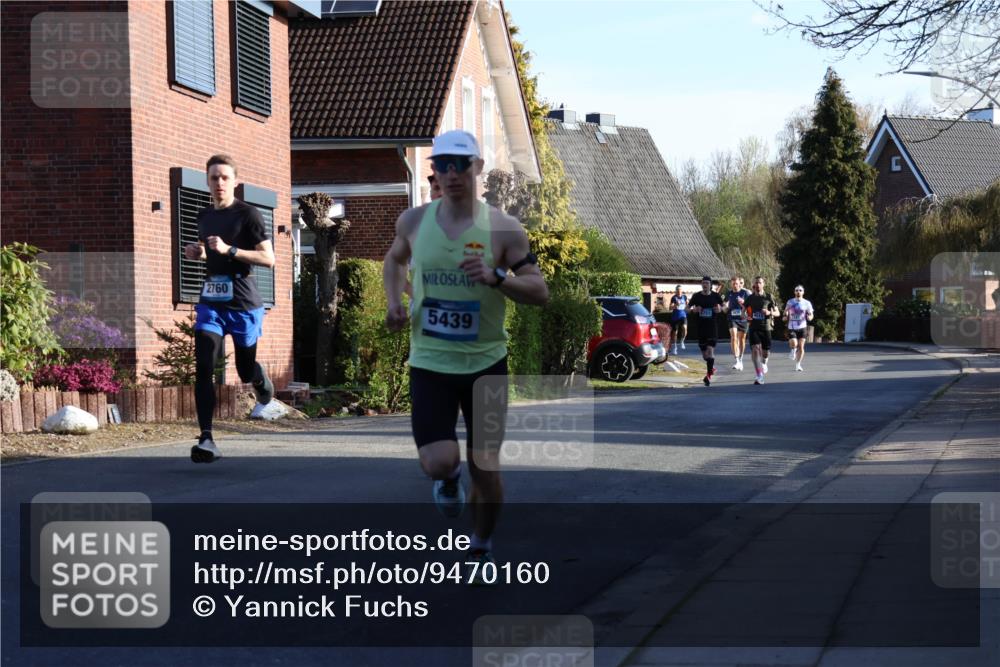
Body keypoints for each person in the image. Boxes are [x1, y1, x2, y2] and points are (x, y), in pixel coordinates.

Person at [383, 130, 548, 583]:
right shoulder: (414, 222)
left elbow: (540, 291)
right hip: (431, 363)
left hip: (486, 365)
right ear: (434, 170)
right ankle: (448, 479)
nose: (452, 174)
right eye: (443, 166)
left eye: (461, 164)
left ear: (477, 167)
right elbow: (394, 261)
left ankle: (481, 544)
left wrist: (498, 278)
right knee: (439, 462)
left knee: (487, 467)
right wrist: (394, 302)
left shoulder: (503, 229)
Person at [184, 154, 275, 463]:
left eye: (225, 177)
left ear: (235, 181)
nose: (219, 183)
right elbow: (212, 255)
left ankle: (259, 379)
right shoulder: (203, 215)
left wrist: (230, 249)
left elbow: (269, 259)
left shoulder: (249, 215)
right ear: (207, 182)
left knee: (243, 370)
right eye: (214, 178)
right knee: (205, 365)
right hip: (211, 299)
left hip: (243, 301)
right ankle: (207, 438)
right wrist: (197, 254)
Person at [744, 276, 780, 385]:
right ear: (754, 285)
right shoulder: (750, 298)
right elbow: (743, 312)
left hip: (766, 328)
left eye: (760, 283)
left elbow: (777, 313)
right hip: (754, 327)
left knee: (765, 353)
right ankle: (759, 375)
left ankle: (764, 362)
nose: (757, 285)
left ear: (763, 284)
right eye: (756, 283)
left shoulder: (769, 297)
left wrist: (770, 313)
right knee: (755, 349)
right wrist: (747, 317)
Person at [689, 276, 724, 386]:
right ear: (701, 284)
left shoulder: (715, 296)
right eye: (703, 283)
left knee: (710, 351)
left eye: (707, 283)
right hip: (700, 328)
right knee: (705, 356)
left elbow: (724, 307)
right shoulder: (696, 296)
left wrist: (720, 309)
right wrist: (693, 310)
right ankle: (711, 368)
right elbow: (686, 309)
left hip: (712, 327)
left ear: (710, 285)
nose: (705, 285)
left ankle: (708, 376)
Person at [783, 285, 815, 371]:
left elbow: (811, 314)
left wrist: (810, 317)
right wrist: (785, 316)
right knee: (794, 342)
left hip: (802, 327)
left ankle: (798, 364)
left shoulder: (807, 303)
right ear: (794, 292)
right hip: (792, 326)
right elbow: (785, 311)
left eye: (800, 290)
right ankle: (793, 350)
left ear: (803, 292)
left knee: (801, 347)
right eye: (796, 290)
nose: (798, 292)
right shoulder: (790, 302)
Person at [723, 276, 751, 370]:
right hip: (732, 318)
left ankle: (741, 359)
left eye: (736, 283)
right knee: (734, 337)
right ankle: (737, 360)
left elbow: (750, 306)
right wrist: (725, 307)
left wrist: (743, 303)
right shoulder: (729, 293)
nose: (735, 285)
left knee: (742, 339)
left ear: (740, 284)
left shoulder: (745, 293)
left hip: (743, 319)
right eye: (733, 283)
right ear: (731, 284)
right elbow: (724, 306)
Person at [668, 285, 688, 354]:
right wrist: (676, 305)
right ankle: (675, 347)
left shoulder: (684, 297)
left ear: (682, 291)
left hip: (683, 315)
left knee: (684, 328)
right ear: (676, 291)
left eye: (680, 290)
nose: (679, 291)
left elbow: (687, 304)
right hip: (675, 317)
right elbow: (670, 308)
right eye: (678, 290)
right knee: (675, 333)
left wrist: (689, 307)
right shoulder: (674, 298)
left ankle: (682, 341)